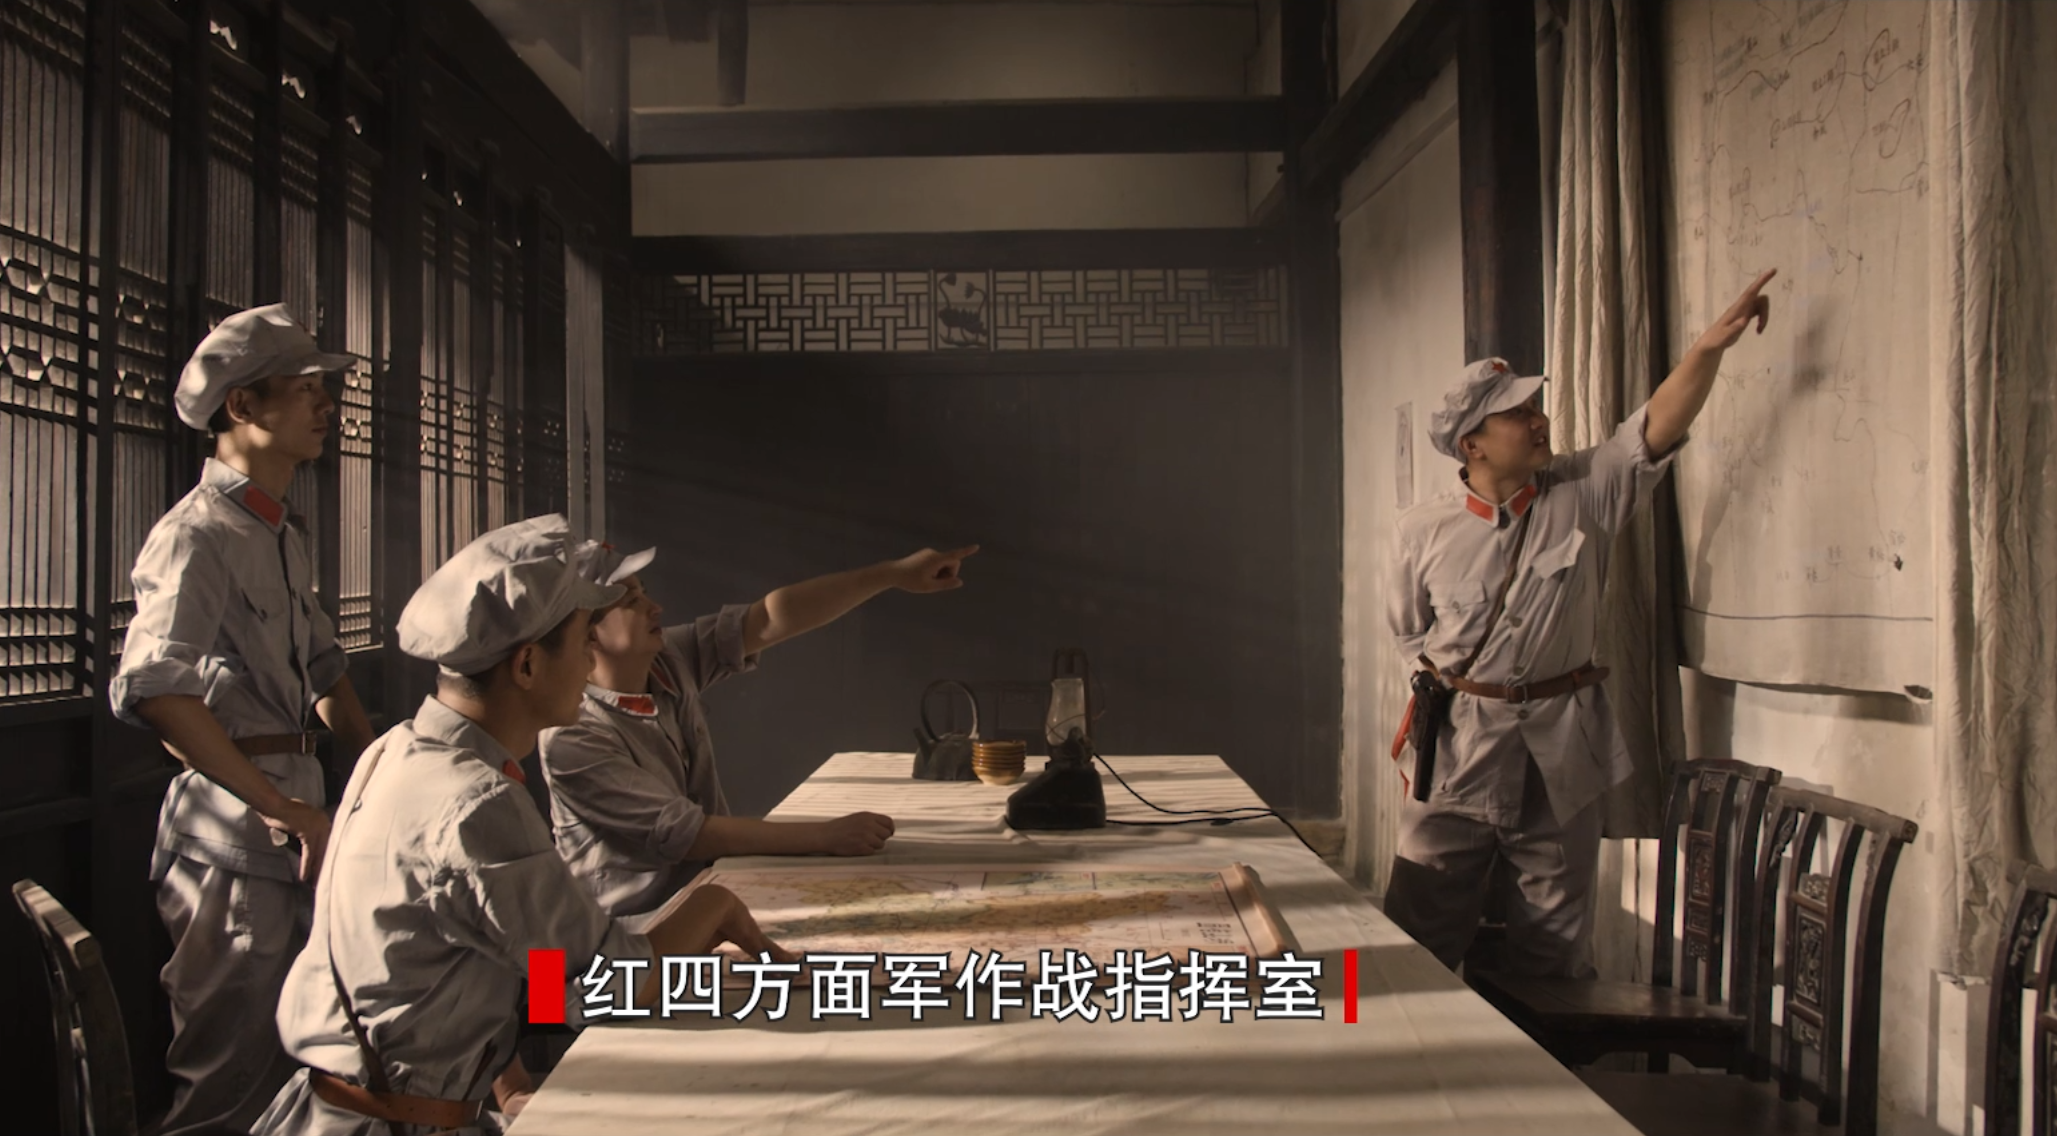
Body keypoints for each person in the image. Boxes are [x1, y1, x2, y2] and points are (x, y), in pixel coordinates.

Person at [255, 515, 794, 1135]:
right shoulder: (478, 803)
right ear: (529, 665)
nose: (591, 659)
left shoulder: (395, 752)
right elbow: (607, 987)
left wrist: (508, 1081)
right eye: (584, 638)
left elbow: (473, 954)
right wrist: (710, 908)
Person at [1383, 270, 1777, 977]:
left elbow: (1651, 430)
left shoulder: (1583, 492)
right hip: (1458, 756)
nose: (1538, 421)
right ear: (1472, 444)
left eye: (1535, 407)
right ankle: (1402, 1048)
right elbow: (1410, 637)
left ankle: (1542, 1052)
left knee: (1556, 954)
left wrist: (1708, 349)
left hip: (1560, 754)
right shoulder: (1420, 532)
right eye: (1516, 414)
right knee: (1416, 941)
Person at [108, 303, 376, 1135]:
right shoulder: (197, 535)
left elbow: (325, 667)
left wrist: (379, 772)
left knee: (305, 1067)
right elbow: (156, 689)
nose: (324, 406)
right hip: (233, 835)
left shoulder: (280, 532)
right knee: (226, 1082)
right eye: (304, 390)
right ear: (242, 406)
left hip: (302, 825)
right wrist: (279, 806)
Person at [538, 541, 977, 916]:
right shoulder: (572, 736)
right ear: (585, 634)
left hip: (704, 899)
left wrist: (892, 574)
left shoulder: (665, 659)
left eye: (644, 592)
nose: (655, 607)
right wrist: (825, 835)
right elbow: (686, 834)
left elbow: (768, 618)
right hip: (624, 931)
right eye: (630, 601)